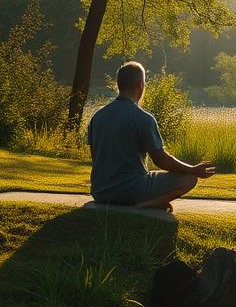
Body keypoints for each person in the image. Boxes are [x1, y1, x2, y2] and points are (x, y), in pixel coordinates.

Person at [87, 61, 214, 212]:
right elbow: (161, 160)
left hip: (101, 192)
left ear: (118, 85)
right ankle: (143, 205)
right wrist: (193, 169)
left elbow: (96, 157)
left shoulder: (97, 116)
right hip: (131, 190)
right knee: (189, 179)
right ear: (140, 85)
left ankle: (145, 202)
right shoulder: (143, 118)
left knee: (152, 176)